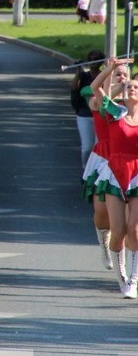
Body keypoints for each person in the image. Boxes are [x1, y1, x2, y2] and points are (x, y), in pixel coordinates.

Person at [91, 57, 138, 297]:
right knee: (113, 224)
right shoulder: (114, 111)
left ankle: (134, 279)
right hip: (111, 168)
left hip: (136, 174)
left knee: (135, 229)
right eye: (129, 85)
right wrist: (110, 69)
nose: (130, 87)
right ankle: (117, 268)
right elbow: (95, 92)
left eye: (134, 86)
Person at [83, 59, 127, 274]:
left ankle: (125, 256)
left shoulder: (131, 103)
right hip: (103, 159)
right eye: (117, 74)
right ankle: (104, 243)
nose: (122, 79)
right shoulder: (96, 100)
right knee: (102, 212)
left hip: (126, 159)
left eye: (125, 75)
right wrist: (112, 77)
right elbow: (102, 96)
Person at [72, 51, 106, 171]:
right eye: (91, 59)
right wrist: (78, 71)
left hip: (100, 115)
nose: (93, 62)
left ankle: (97, 170)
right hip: (84, 115)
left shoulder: (104, 75)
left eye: (96, 59)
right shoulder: (83, 76)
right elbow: (74, 87)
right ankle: (86, 169)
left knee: (99, 145)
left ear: (101, 61)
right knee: (87, 147)